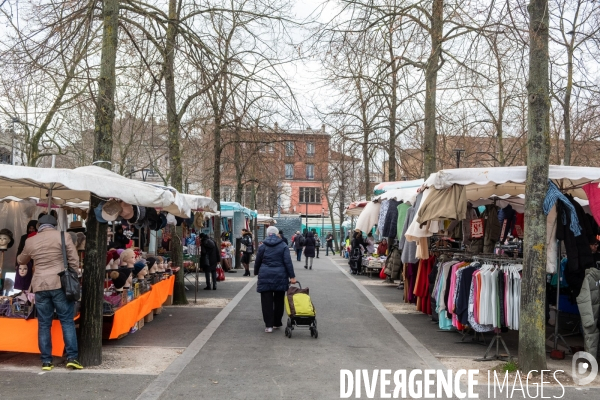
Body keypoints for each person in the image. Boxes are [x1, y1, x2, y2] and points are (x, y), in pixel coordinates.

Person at [16, 214, 83, 371]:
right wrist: (72, 273)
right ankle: (72, 358)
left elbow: (21, 260)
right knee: (67, 320)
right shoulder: (63, 236)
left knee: (44, 323)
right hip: (59, 283)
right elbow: (74, 260)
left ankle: (46, 361)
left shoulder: (31, 240)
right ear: (54, 225)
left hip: (40, 285)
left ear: (39, 225)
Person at [254, 226, 296, 333]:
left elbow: (257, 261)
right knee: (279, 301)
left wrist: (256, 272)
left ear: (268, 234)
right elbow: (288, 262)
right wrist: (292, 276)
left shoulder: (262, 246)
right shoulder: (283, 246)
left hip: (265, 275)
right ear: (277, 234)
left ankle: (269, 326)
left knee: (266, 302)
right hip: (280, 276)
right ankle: (277, 322)